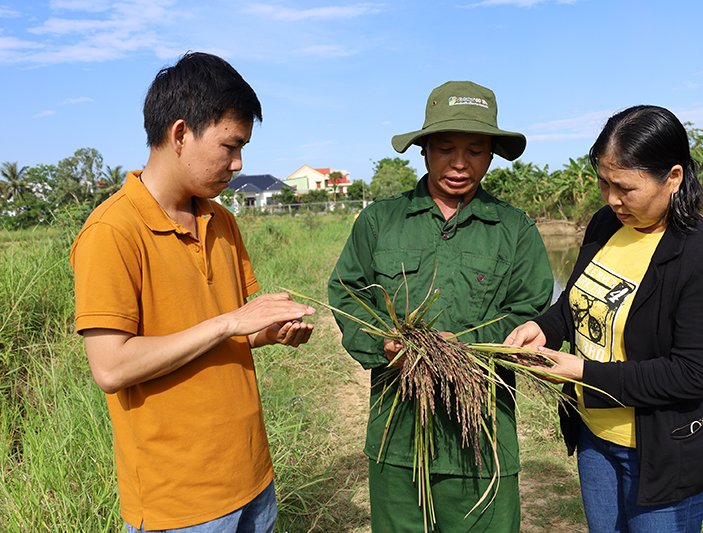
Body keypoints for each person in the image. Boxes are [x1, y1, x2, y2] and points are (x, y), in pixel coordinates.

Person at [70, 52, 315, 533]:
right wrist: (230, 321)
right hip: (178, 502)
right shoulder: (112, 231)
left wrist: (269, 332)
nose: (239, 163)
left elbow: (235, 333)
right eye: (229, 146)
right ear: (180, 134)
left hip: (251, 476)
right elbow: (112, 366)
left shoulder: (221, 220)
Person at [328, 81, 554, 532]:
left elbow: (530, 310)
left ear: (491, 155)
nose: (459, 162)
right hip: (399, 439)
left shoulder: (514, 229)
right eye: (445, 147)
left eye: (475, 150)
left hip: (483, 440)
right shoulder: (380, 220)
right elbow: (348, 291)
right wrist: (385, 341)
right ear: (424, 149)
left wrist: (463, 347)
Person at [506, 105, 703, 532]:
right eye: (603, 182)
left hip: (658, 455)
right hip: (595, 439)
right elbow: (577, 303)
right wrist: (545, 326)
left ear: (673, 178)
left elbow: (689, 376)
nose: (612, 199)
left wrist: (583, 372)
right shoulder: (604, 225)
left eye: (625, 188)